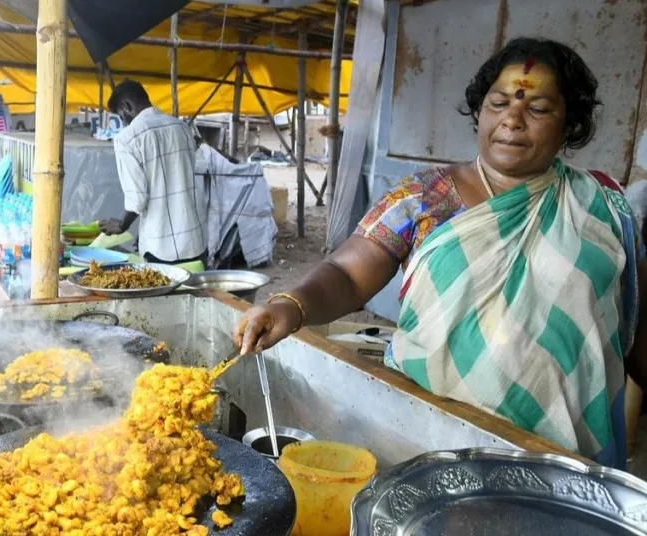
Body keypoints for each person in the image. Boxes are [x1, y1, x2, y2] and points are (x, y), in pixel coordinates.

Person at [233, 37, 647, 468]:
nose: (512, 120)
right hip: (427, 440)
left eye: (538, 108)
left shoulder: (602, 208)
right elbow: (349, 273)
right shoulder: (426, 197)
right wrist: (290, 305)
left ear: (570, 124)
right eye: (498, 103)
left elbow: (637, 328)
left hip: (560, 460)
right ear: (479, 111)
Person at [102, 80, 208, 266]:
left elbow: (138, 199)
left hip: (162, 251)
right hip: (195, 243)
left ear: (126, 106)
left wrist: (121, 225)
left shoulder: (127, 139)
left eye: (121, 116)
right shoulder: (182, 128)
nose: (124, 122)